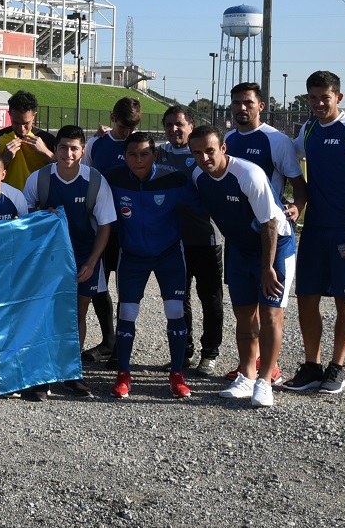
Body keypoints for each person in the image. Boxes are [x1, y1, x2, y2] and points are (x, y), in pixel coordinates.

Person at [284, 70, 345, 394]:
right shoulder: (308, 129)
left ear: (339, 97)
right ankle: (312, 366)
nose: (318, 103)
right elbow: (287, 156)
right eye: (312, 97)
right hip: (313, 228)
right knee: (307, 298)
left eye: (325, 97)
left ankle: (336, 367)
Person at [187, 127, 294, 408]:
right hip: (240, 250)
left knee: (271, 314)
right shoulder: (199, 177)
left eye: (209, 150)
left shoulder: (249, 174)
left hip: (275, 248)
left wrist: (267, 268)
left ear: (223, 148)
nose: (204, 158)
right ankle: (247, 376)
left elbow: (270, 223)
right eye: (197, 152)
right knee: (244, 315)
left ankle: (265, 380)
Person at [23, 125, 115, 399]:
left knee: (77, 314)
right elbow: (24, 216)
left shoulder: (95, 181)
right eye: (63, 147)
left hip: (83, 256)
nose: (68, 153)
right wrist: (41, 214)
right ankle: (42, 374)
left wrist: (92, 262)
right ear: (56, 148)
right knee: (46, 313)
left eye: (74, 148)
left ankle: (70, 372)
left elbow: (106, 226)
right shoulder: (39, 179)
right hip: (47, 258)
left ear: (83, 151)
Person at [104, 132, 197, 400]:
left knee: (175, 310)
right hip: (132, 256)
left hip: (169, 254)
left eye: (145, 154)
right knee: (128, 313)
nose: (138, 159)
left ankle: (177, 374)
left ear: (155, 155)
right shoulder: (114, 179)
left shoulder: (174, 178)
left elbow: (205, 202)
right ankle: (123, 373)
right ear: (125, 156)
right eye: (132, 154)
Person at [156, 105, 224, 376]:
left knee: (210, 298)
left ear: (191, 127)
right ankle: (183, 352)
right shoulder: (159, 153)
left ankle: (210, 354)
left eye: (180, 124)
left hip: (206, 239)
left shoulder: (202, 156)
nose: (174, 129)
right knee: (178, 299)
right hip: (174, 240)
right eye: (169, 124)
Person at [81, 96, 142, 364]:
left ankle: (121, 345)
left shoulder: (139, 146)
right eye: (122, 126)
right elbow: (85, 176)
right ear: (112, 118)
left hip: (130, 228)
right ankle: (108, 340)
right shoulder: (97, 143)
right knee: (98, 285)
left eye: (132, 127)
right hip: (102, 226)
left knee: (126, 287)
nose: (126, 133)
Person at [224, 82, 307, 221]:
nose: (242, 108)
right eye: (236, 103)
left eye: (248, 102)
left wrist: (297, 206)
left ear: (261, 106)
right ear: (231, 107)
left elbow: (299, 184)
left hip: (268, 223)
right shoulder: (229, 138)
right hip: (237, 222)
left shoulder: (278, 140)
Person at [0, 90, 55, 192]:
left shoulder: (47, 139)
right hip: (7, 199)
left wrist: (46, 152)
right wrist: (5, 158)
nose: (21, 128)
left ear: (34, 115)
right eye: (16, 123)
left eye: (26, 123)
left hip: (38, 201)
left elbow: (66, 169)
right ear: (9, 114)